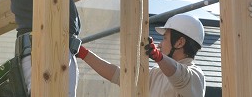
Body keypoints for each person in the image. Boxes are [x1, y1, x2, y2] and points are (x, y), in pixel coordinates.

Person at [76, 13, 206, 97]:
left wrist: (158, 56)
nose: (160, 44)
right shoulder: (157, 74)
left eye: (165, 38)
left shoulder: (195, 76)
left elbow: (180, 76)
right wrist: (82, 52)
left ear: (180, 42)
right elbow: (118, 75)